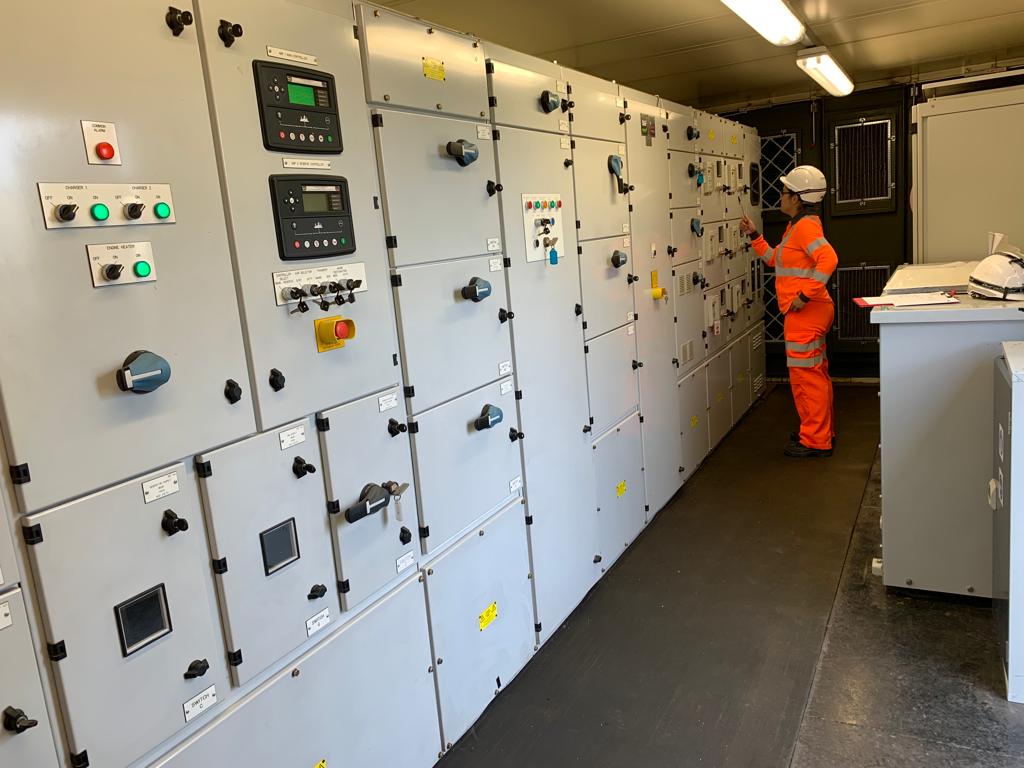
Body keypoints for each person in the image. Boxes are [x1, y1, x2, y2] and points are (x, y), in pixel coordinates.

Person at [738, 165, 837, 458]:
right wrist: (755, 235)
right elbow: (774, 260)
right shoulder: (797, 227)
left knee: (806, 379)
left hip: (806, 314)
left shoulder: (804, 227)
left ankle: (816, 441)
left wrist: (805, 295)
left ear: (797, 198)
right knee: (816, 375)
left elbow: (829, 259)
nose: (780, 197)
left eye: (784, 192)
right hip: (812, 312)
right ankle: (818, 431)